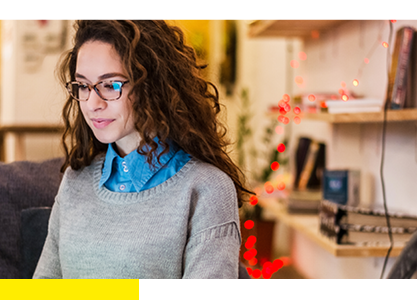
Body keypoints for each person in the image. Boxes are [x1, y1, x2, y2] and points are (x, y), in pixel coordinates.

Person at [33, 20, 254, 279]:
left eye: (111, 85)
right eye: (83, 85)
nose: (92, 103)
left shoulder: (207, 189)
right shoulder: (75, 180)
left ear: (152, 86)